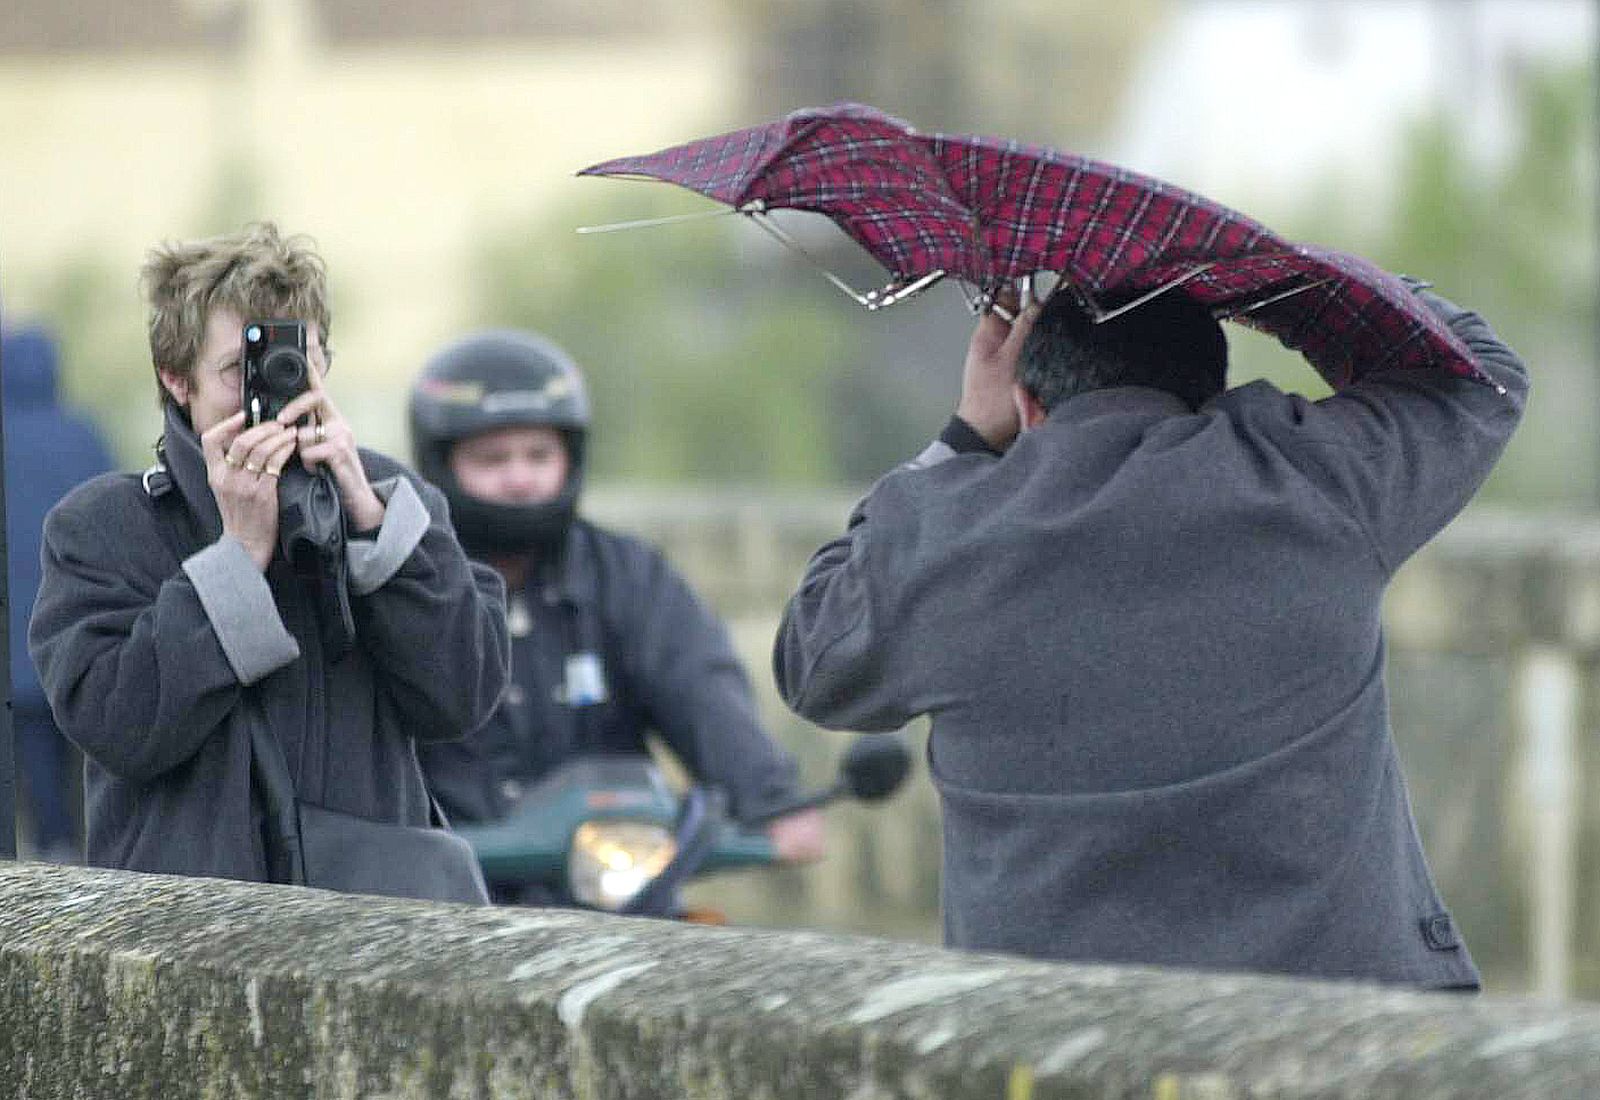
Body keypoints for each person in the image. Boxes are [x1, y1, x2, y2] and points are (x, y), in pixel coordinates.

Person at [774, 277, 1527, 988]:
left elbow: (814, 660)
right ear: (1212, 390)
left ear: (1027, 405)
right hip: (1346, 1026)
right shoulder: (1308, 475)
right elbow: (1481, 379)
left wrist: (965, 436)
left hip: (1052, 1043)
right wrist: (1294, 292)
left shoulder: (949, 535)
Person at [28, 222, 509, 886]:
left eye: (294, 362)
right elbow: (120, 728)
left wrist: (373, 527)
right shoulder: (105, 526)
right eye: (241, 370)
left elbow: (462, 698)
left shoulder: (389, 501)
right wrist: (236, 558)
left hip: (370, 917)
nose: (274, 393)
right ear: (176, 379)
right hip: (191, 933)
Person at [409, 330, 825, 903]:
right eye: (492, 459)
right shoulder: (407, 586)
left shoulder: (627, 575)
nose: (520, 478)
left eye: (539, 456)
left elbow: (697, 680)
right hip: (445, 901)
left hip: (615, 895)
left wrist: (770, 798)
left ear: (570, 459)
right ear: (440, 466)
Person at [2, 324, 115, 862]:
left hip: (16, 653)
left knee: (36, 774)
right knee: (89, 766)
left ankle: (53, 853)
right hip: (81, 641)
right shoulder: (84, 435)